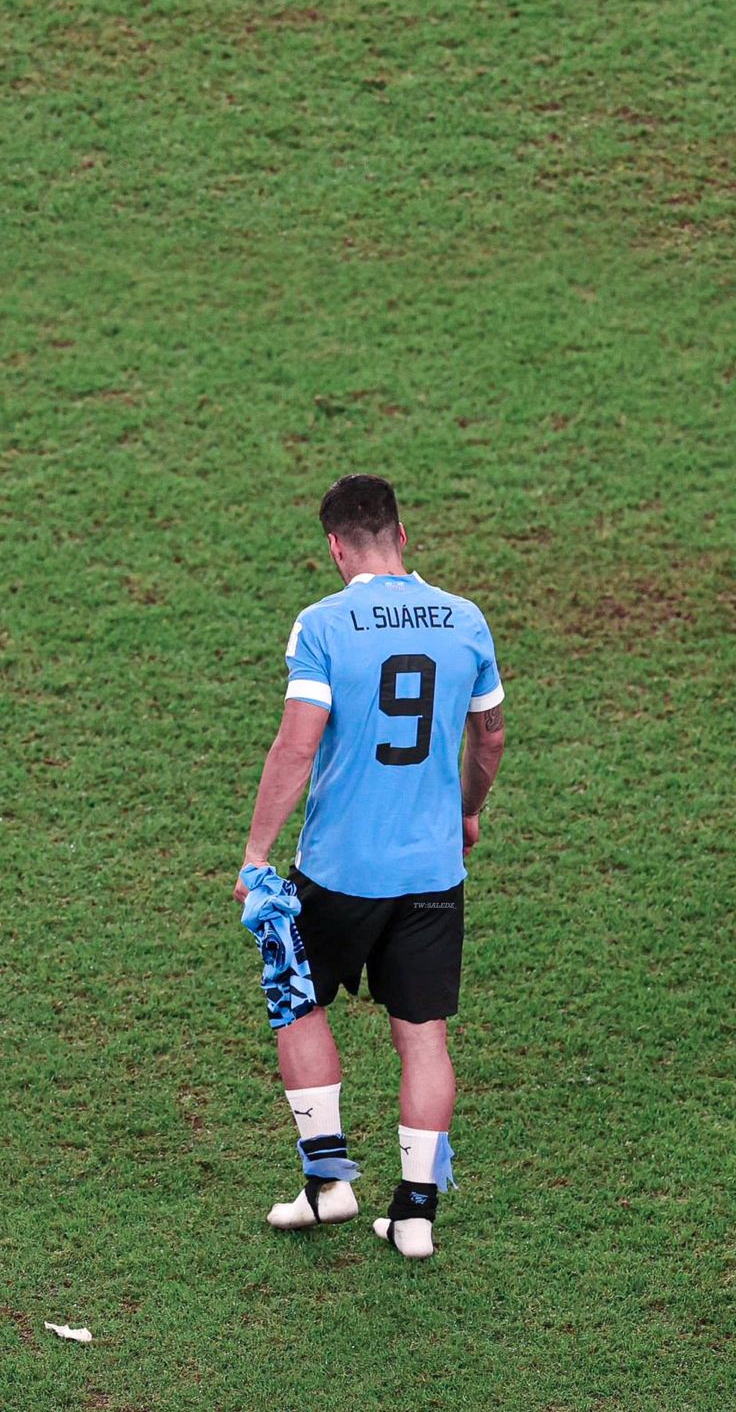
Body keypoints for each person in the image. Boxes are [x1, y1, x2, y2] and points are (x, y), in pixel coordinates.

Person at [234, 474, 505, 1258]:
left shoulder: (323, 623)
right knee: (424, 1038)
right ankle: (415, 1214)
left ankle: (329, 1185)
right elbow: (488, 738)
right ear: (401, 535)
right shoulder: (466, 620)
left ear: (334, 546)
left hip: (341, 870)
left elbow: (297, 741)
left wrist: (256, 853)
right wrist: (467, 810)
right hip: (432, 873)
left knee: (300, 1000)